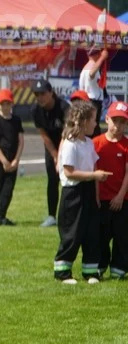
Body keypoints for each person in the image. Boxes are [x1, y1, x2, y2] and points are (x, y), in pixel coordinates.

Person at [54, 99, 110, 284]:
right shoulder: (71, 143)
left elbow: (93, 164)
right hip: (73, 193)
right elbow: (69, 172)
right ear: (84, 120)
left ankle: (90, 271)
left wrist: (95, 194)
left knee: (91, 230)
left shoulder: (88, 143)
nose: (96, 123)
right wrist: (94, 175)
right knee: (73, 232)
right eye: (94, 119)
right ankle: (63, 271)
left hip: (88, 190)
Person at [92, 101, 128, 279]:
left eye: (122, 122)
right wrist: (97, 196)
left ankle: (119, 267)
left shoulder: (126, 145)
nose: (118, 125)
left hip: (122, 199)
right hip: (102, 198)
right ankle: (100, 265)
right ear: (106, 119)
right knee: (101, 234)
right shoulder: (96, 143)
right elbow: (93, 171)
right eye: (115, 120)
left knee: (122, 234)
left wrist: (121, 196)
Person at [33, 78, 68, 228]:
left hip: (68, 145)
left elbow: (67, 133)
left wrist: (60, 156)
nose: (40, 97)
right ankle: (51, 216)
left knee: (67, 181)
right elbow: (44, 135)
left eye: (42, 94)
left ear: (51, 93)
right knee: (52, 181)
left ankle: (67, 216)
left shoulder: (64, 107)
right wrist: (54, 155)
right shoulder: (35, 110)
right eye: (37, 94)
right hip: (51, 147)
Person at [0, 88, 23, 226]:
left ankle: (0, 217)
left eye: (8, 103)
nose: (5, 106)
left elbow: (21, 141)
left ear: (12, 104)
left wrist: (16, 159)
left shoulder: (16, 120)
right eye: (3, 104)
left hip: (12, 159)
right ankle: (0, 216)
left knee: (8, 189)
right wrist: (3, 160)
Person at [79, 48, 107, 115]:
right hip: (93, 100)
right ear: (97, 55)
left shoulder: (85, 68)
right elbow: (91, 74)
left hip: (85, 99)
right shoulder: (92, 66)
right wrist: (102, 58)